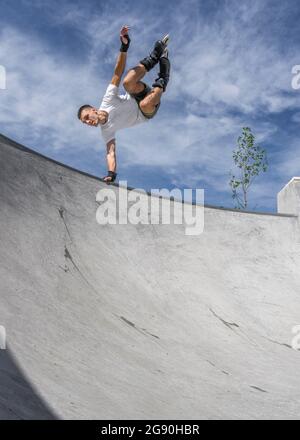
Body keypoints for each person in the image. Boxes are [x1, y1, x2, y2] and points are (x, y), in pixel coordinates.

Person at [77, 25, 170, 183]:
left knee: (127, 82)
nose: (88, 122)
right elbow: (110, 152)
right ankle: (163, 78)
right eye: (85, 122)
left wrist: (124, 47)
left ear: (93, 109)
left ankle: (154, 56)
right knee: (145, 104)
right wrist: (111, 173)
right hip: (146, 111)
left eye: (86, 117)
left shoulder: (107, 100)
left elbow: (117, 73)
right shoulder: (106, 132)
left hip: (138, 93)